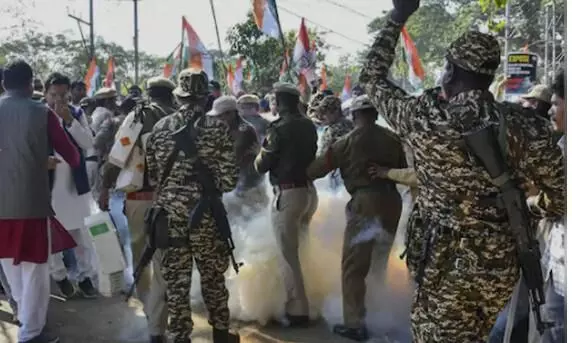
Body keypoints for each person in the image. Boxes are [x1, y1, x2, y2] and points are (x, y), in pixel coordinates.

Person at [359, 0, 565, 341]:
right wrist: (529, 208)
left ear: (450, 72)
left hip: (444, 268)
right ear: (490, 75)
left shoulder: (422, 117)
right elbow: (560, 198)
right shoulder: (525, 126)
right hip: (497, 270)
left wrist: (398, 16)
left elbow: (371, 77)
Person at [146, 68, 239, 343]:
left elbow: (154, 178)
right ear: (205, 97)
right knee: (213, 279)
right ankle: (221, 334)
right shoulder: (218, 129)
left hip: (170, 219)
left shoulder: (159, 130)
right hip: (207, 218)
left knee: (176, 284)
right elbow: (230, 180)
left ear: (178, 96)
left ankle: (179, 335)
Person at [306, 95, 406, 341]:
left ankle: (355, 323)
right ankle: (380, 312)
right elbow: (403, 170)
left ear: (354, 115)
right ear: (374, 113)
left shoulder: (347, 141)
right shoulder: (394, 139)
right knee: (379, 261)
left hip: (365, 203)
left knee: (354, 266)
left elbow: (317, 170)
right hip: (393, 202)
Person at [0, 60, 80, 343]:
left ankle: (25, 320)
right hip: (32, 205)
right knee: (35, 269)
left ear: (4, 84)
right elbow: (72, 156)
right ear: (30, 83)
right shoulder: (42, 112)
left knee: (11, 265)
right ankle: (31, 333)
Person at [99, 76, 178, 343]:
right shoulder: (182, 118)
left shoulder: (140, 115)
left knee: (141, 258)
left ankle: (150, 314)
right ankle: (159, 324)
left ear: (149, 94)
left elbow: (118, 155)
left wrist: (104, 186)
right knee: (164, 262)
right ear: (171, 96)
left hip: (141, 199)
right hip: (175, 200)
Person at [254, 82, 318, 327]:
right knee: (303, 249)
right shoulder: (308, 124)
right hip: (308, 192)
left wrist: (258, 152)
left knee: (288, 254)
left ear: (279, 103)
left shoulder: (278, 128)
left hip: (288, 194)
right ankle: (311, 299)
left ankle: (297, 310)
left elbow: (262, 165)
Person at [44, 72, 98, 299]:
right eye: (53, 95)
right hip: (48, 185)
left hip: (74, 185)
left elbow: (88, 142)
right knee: (51, 235)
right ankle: (60, 276)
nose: (58, 101)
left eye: (63, 95)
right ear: (45, 94)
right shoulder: (38, 115)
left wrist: (69, 121)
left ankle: (85, 276)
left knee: (81, 235)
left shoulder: (76, 114)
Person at [527, 70, 566, 343]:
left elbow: (556, 202)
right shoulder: (562, 143)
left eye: (556, 103)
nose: (552, 110)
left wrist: (528, 203)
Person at [208, 95, 267, 220]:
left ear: (230, 114)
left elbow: (232, 158)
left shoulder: (244, 130)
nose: (217, 120)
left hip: (249, 188)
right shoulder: (227, 129)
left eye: (220, 116)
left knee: (252, 225)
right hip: (236, 187)